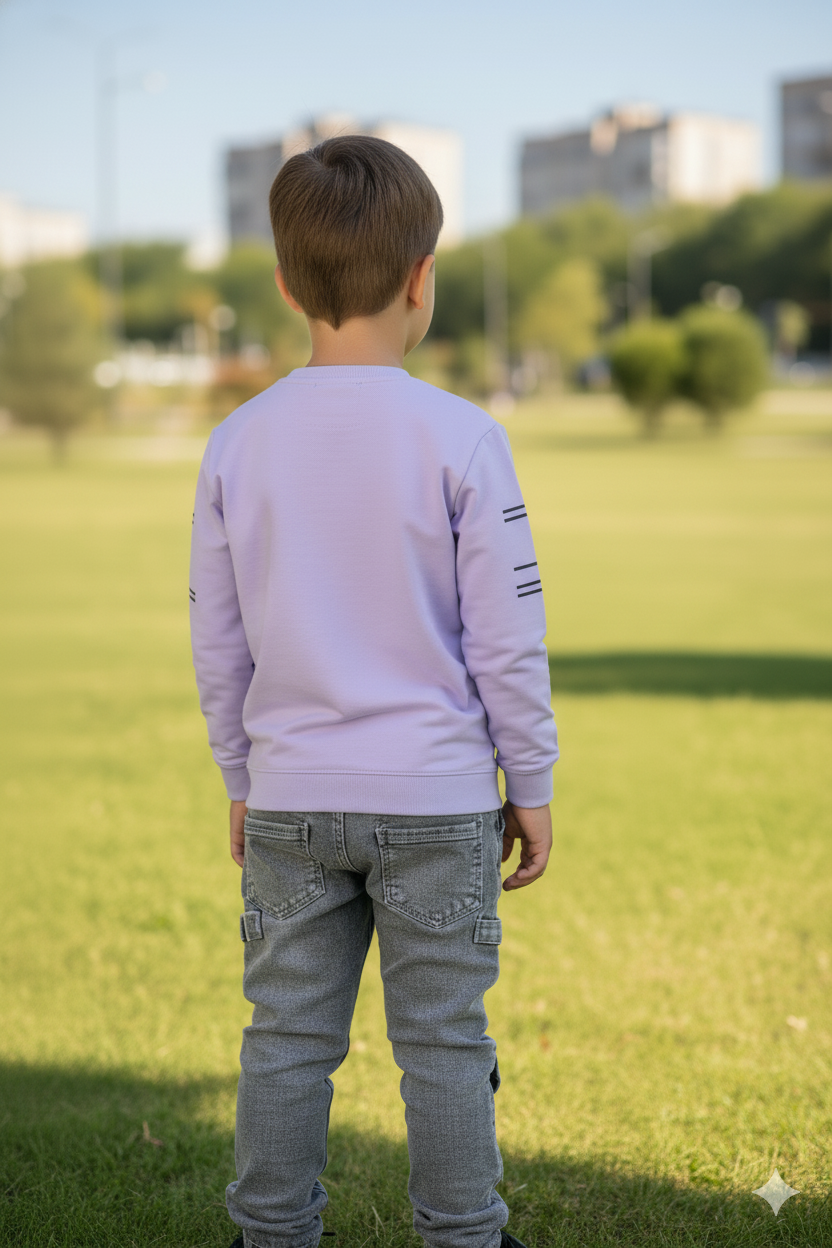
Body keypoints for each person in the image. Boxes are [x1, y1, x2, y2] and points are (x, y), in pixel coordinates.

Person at [189, 134, 558, 1248]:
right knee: (443, 1042)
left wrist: (241, 776)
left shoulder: (237, 443)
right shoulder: (464, 437)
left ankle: (269, 1233)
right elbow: (508, 640)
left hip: (292, 799)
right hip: (438, 800)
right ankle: (464, 1234)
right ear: (421, 278)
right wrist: (530, 781)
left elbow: (218, 640)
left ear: (285, 282)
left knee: (286, 1037)